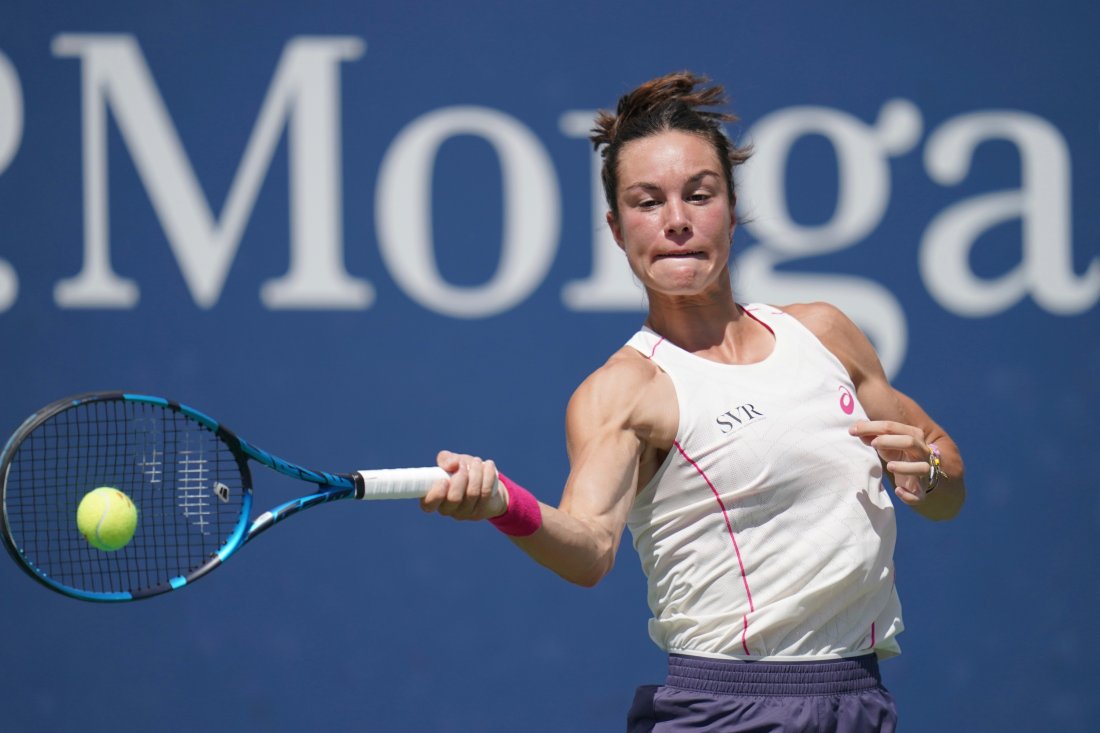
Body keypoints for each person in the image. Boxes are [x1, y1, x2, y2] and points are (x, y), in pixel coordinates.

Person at [420, 71, 966, 732]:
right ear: (617, 229)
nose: (676, 221)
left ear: (732, 211)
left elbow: (945, 482)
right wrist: (503, 503)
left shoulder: (824, 333)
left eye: (698, 195)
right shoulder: (626, 389)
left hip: (861, 700)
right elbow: (591, 547)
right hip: (727, 712)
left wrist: (928, 474)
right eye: (647, 202)